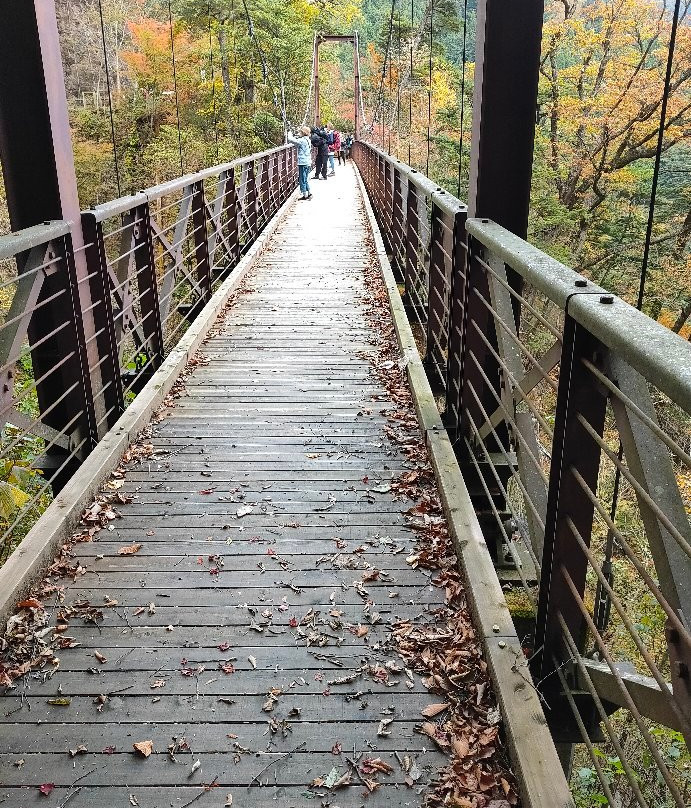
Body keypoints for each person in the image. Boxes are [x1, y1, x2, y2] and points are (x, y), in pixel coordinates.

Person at [287, 126, 313, 200]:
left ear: (303, 132)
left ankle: (305, 195)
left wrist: (289, 132)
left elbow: (291, 139)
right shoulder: (307, 139)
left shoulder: (302, 140)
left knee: (302, 179)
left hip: (303, 162)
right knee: (305, 179)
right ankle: (309, 193)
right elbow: (297, 141)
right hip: (307, 162)